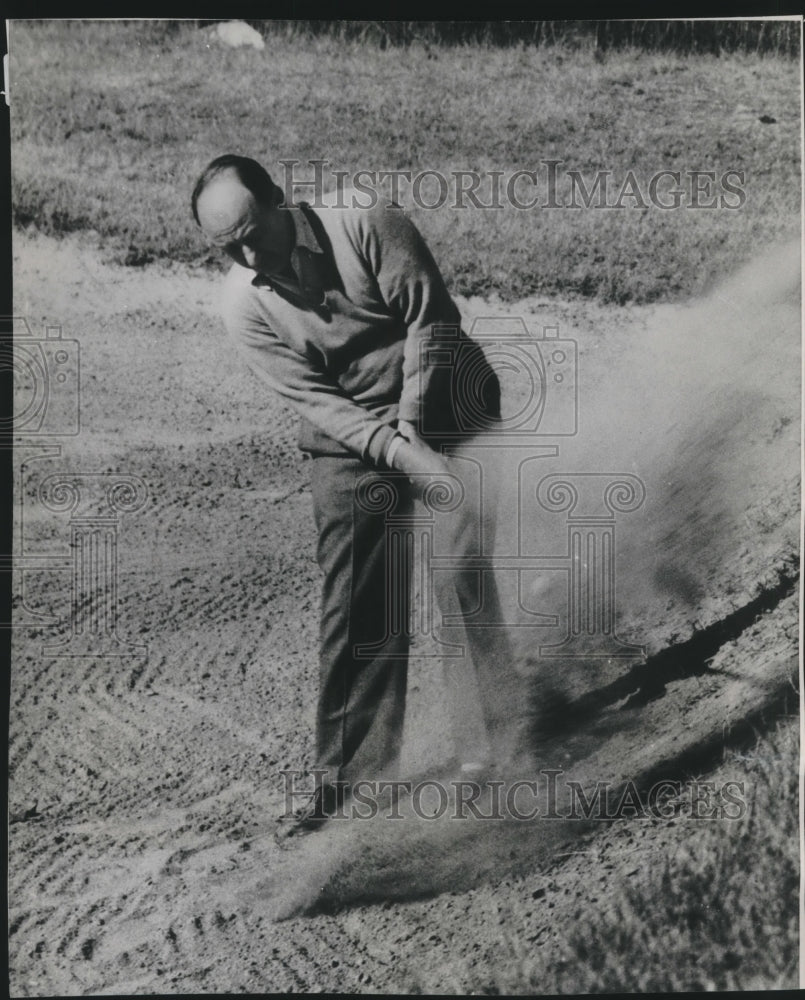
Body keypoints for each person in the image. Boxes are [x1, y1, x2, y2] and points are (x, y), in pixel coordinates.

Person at [191, 155, 520, 840]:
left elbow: (431, 319)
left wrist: (415, 430)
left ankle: (492, 753)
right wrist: (402, 454)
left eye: (255, 231)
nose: (252, 254)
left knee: (457, 570)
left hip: (444, 388)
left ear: (281, 200)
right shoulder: (242, 303)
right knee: (356, 597)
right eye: (231, 247)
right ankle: (350, 787)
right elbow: (321, 404)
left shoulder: (364, 219)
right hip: (351, 427)